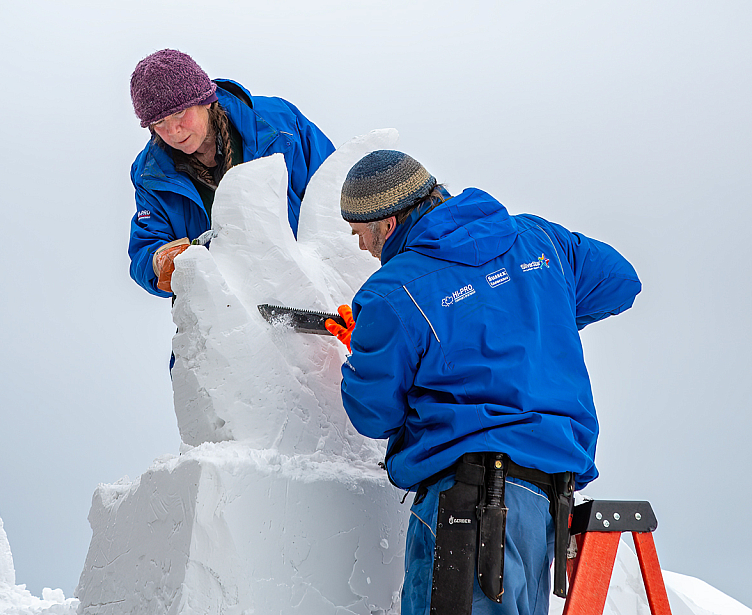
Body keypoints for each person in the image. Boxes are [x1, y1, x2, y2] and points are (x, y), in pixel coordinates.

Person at [324, 150, 641, 615]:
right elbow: (619, 280)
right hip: (547, 505)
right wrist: (533, 316)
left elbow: (375, 414)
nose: (361, 248)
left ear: (387, 224)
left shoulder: (393, 292)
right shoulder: (539, 239)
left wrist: (369, 349)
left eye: (359, 234)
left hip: (469, 511)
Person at [127, 49, 335, 296]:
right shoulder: (150, 175)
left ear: (205, 99)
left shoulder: (281, 125)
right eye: (159, 123)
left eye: (179, 113)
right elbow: (146, 247)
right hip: (227, 313)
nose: (173, 131)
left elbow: (334, 191)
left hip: (312, 291)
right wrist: (160, 262)